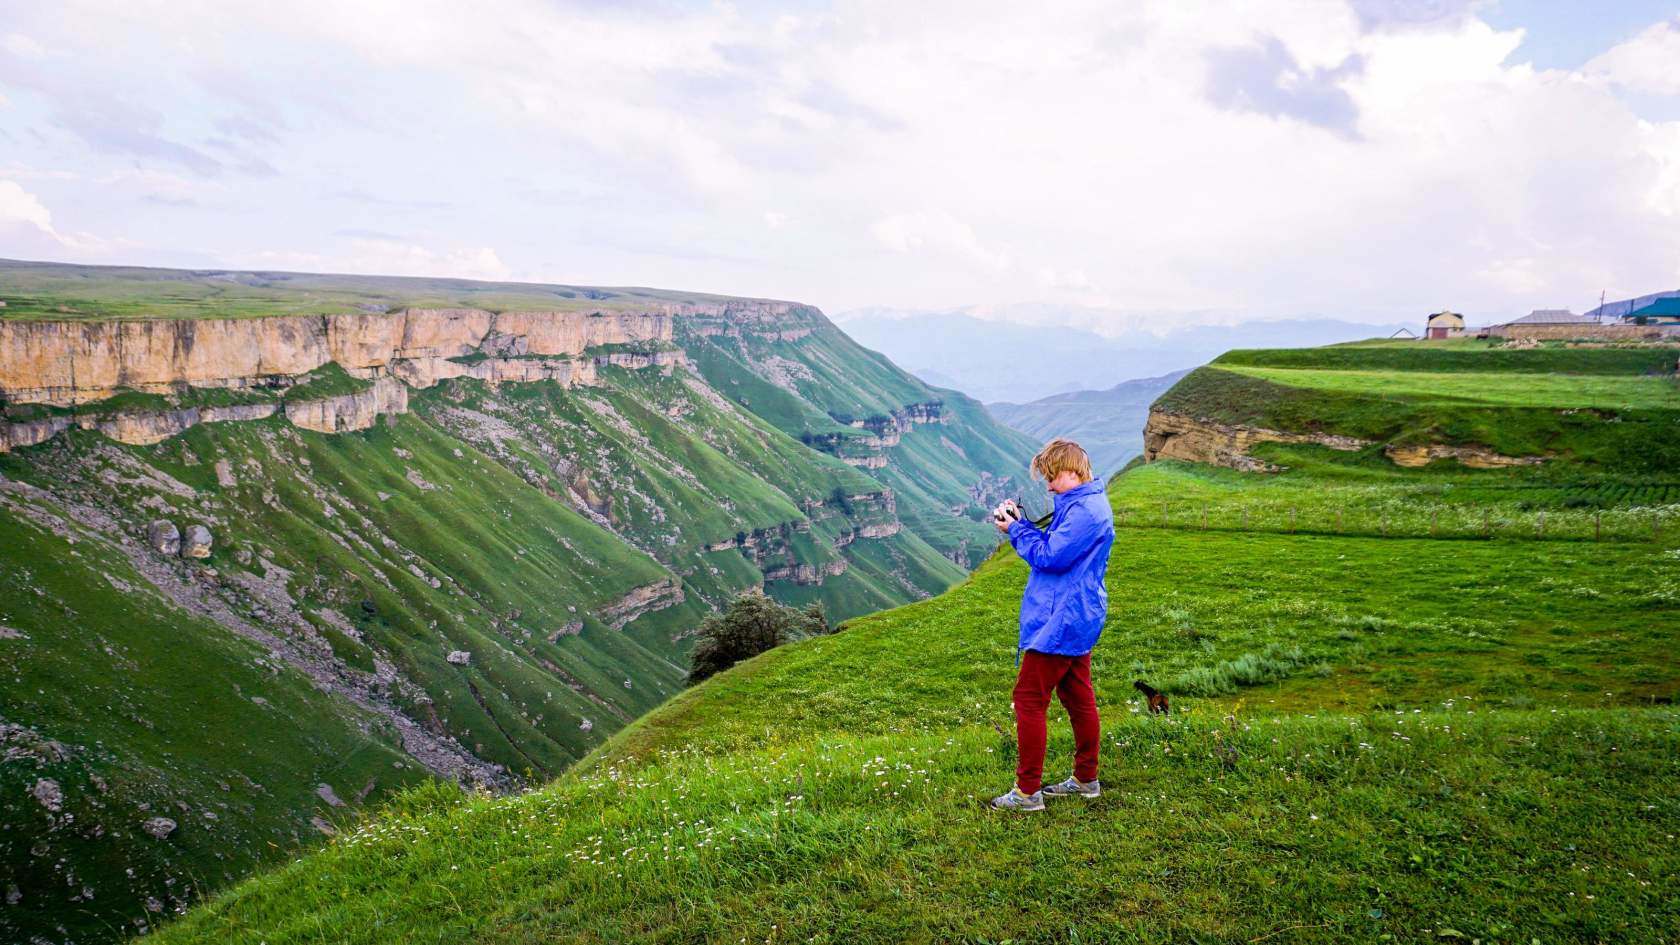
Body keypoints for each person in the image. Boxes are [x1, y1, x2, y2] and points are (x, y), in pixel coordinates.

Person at [988, 438, 1115, 812]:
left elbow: (1048, 557)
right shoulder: (1084, 505)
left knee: (1028, 699)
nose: (1047, 485)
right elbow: (1058, 547)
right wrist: (1022, 524)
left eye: (1051, 477)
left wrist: (1016, 531)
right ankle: (1085, 779)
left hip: (1062, 619)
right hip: (1079, 614)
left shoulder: (1084, 512)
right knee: (1077, 695)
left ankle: (1027, 793)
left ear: (1071, 472)